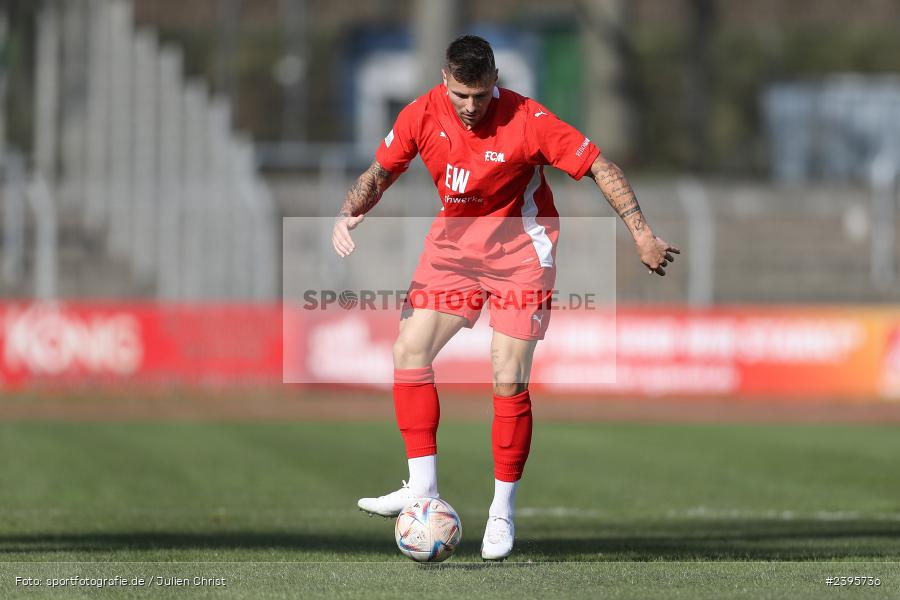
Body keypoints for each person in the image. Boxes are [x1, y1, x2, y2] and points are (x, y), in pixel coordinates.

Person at [332, 35, 678, 561]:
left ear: (496, 80)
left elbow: (602, 167)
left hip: (521, 255)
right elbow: (382, 171)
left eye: (482, 94)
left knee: (507, 374)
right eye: (462, 95)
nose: (472, 107)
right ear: (444, 80)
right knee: (408, 351)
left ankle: (501, 511)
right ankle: (422, 487)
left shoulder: (528, 119)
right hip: (453, 252)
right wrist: (349, 210)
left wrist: (641, 232)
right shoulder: (420, 114)